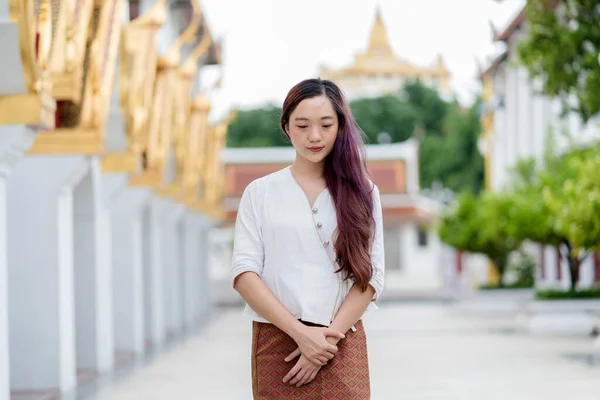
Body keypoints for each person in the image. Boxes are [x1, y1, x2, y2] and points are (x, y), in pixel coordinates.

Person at [231, 78, 385, 399]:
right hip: (278, 343)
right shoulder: (260, 193)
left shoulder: (364, 193)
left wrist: (325, 342)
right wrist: (301, 334)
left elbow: (370, 278)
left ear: (340, 126)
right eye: (302, 125)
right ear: (286, 126)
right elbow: (245, 274)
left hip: (342, 339)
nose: (314, 136)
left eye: (326, 125)